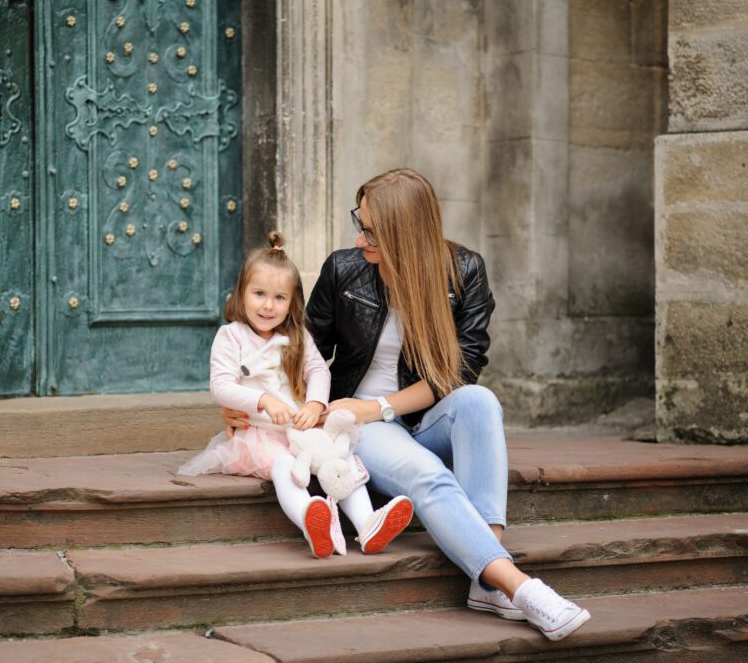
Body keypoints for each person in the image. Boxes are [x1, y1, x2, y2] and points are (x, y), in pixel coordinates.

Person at [222, 170, 590, 641]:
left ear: (404, 233)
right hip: (359, 426)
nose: (360, 239)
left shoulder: (465, 272)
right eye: (360, 224)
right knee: (427, 474)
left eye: (371, 231)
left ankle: (487, 576)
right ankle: (514, 584)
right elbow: (296, 348)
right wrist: (249, 397)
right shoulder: (344, 270)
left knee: (479, 401)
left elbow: (461, 370)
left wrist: (378, 406)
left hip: (410, 414)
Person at [179, 232, 413, 559]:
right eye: (259, 294)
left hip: (302, 428)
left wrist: (316, 403)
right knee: (285, 468)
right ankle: (312, 521)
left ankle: (367, 523)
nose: (267, 305)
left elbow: (318, 370)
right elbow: (221, 386)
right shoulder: (231, 336)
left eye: (279, 297)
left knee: (340, 457)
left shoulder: (297, 336)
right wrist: (263, 401)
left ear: (292, 302)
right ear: (241, 292)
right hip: (259, 433)